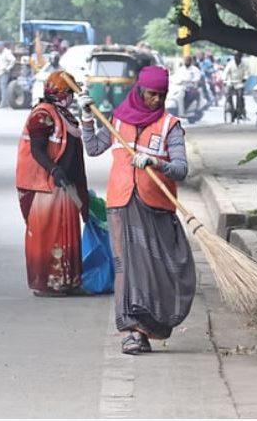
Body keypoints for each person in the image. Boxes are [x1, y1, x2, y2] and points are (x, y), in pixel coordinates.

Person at [79, 65, 195, 355]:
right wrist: (86, 119)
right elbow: (93, 149)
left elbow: (181, 169)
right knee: (126, 269)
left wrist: (156, 163)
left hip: (156, 207)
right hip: (120, 203)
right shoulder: (117, 120)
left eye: (161, 95)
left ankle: (150, 325)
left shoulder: (171, 126)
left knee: (155, 268)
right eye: (151, 94)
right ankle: (131, 331)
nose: (156, 100)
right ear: (140, 91)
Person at [16, 70, 89, 297]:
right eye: (69, 92)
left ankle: (68, 282)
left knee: (67, 232)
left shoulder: (64, 113)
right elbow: (37, 149)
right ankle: (46, 283)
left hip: (65, 184)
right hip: (47, 185)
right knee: (48, 234)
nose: (71, 97)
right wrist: (54, 169)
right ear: (59, 92)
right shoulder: (42, 114)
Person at [222, 51, 248, 119]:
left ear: (241, 57)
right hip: (231, 82)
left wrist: (245, 78)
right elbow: (225, 72)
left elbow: (246, 73)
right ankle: (232, 109)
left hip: (239, 82)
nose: (237, 58)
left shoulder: (244, 64)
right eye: (235, 56)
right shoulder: (230, 63)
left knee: (240, 96)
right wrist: (224, 79)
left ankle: (239, 110)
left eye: (238, 56)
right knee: (228, 95)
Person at [0, 41, 16, 108]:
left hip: (4, 73)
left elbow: (13, 60)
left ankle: (4, 103)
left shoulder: (6, 52)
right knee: (2, 88)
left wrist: (8, 68)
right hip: (0, 73)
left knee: (4, 88)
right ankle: (4, 102)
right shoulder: (1, 53)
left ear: (1, 46)